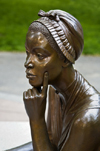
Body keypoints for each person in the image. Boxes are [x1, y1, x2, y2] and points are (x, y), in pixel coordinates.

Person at [23, 10, 100, 151]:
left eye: (39, 55)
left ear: (65, 58)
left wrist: (36, 120)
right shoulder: (55, 93)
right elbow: (50, 145)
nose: (28, 63)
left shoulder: (87, 119)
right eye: (28, 53)